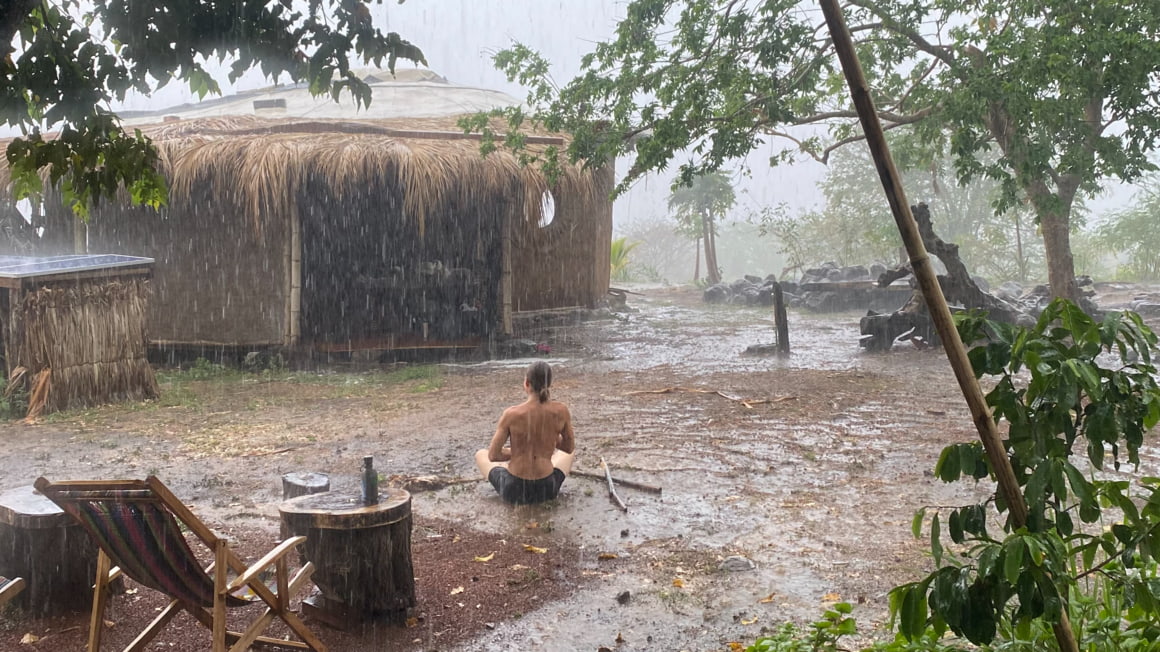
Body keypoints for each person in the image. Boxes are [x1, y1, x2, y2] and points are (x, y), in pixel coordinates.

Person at [475, 361, 575, 504]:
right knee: (568, 455)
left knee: (481, 454)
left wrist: (518, 451)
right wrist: (546, 441)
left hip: (515, 490)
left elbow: (493, 455)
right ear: (549, 384)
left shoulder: (512, 414)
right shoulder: (561, 411)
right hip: (547, 488)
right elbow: (568, 448)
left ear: (527, 383)